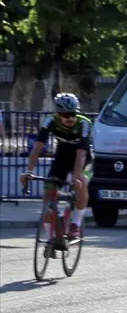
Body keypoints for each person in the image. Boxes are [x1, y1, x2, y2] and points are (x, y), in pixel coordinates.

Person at [21, 93, 92, 243]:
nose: (70, 118)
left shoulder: (84, 123)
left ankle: (76, 223)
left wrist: (76, 177)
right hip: (62, 158)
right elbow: (37, 148)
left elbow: (81, 154)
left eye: (73, 114)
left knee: (82, 182)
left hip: (83, 158)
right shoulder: (50, 122)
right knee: (48, 195)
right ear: (58, 114)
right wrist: (29, 171)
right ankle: (51, 237)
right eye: (66, 115)